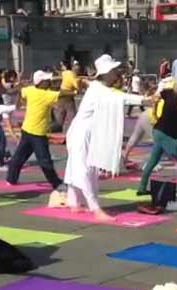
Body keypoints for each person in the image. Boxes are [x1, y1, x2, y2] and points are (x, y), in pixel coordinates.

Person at [64, 54, 150, 221]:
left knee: (81, 167)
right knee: (84, 169)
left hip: (85, 132)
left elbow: (116, 96)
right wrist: (144, 100)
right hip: (82, 133)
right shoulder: (98, 89)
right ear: (106, 72)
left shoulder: (100, 88)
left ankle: (73, 202)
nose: (117, 73)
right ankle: (95, 209)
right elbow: (119, 98)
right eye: (114, 70)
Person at [6, 70, 74, 190]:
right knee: (44, 160)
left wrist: (20, 89)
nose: (49, 81)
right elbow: (64, 94)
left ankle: (11, 179)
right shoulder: (46, 94)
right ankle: (57, 183)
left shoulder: (30, 90)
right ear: (41, 82)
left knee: (19, 156)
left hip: (27, 129)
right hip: (37, 133)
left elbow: (20, 91)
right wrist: (75, 90)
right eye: (46, 80)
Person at [56, 61, 81, 131]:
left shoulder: (65, 73)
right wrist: (78, 88)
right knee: (71, 114)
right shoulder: (71, 74)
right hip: (68, 94)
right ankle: (73, 130)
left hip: (62, 93)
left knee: (61, 113)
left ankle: (57, 128)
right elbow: (76, 84)